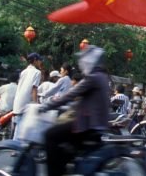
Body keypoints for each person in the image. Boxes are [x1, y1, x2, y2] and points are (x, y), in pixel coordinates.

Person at [40, 46, 110, 176]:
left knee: (50, 134)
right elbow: (83, 100)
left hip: (87, 125)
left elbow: (69, 95)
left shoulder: (92, 77)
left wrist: (45, 106)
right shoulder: (103, 76)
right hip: (98, 124)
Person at [12, 52, 43, 140]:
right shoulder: (37, 72)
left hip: (18, 102)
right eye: (39, 60)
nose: (40, 62)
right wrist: (35, 105)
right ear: (35, 60)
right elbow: (34, 89)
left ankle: (14, 145)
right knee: (24, 129)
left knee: (18, 129)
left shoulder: (24, 71)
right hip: (26, 104)